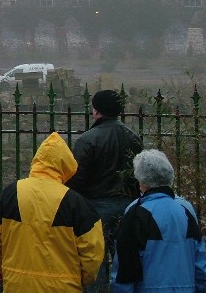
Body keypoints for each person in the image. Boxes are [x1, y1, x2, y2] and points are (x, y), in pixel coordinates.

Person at [0, 131, 105, 293]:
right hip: (64, 287)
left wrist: (7, 269)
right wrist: (80, 278)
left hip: (17, 285)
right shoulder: (76, 203)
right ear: (65, 166)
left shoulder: (10, 194)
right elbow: (92, 252)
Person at [66, 89, 143, 292]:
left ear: (96, 110)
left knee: (95, 262)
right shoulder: (133, 138)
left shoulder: (87, 140)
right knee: (126, 261)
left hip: (96, 206)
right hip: (128, 204)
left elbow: (77, 178)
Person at [111, 149, 206, 293]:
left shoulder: (136, 211)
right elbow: (199, 259)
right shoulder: (185, 209)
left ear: (142, 180)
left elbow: (125, 266)